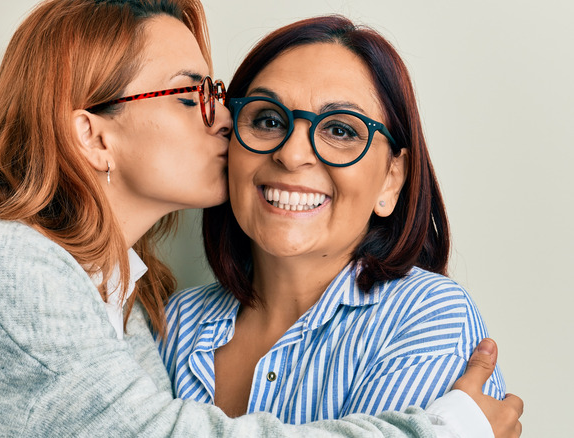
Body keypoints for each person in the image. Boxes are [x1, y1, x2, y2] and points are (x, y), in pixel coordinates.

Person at [0, 1, 522, 436]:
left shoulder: (135, 306)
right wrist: (447, 427)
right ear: (92, 136)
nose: (226, 121)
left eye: (342, 131)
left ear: (393, 179)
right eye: (191, 95)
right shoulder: (5, 262)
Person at [159, 14, 521, 437]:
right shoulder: (174, 323)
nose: (292, 155)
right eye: (268, 120)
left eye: (340, 130)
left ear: (391, 179)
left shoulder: (428, 318)